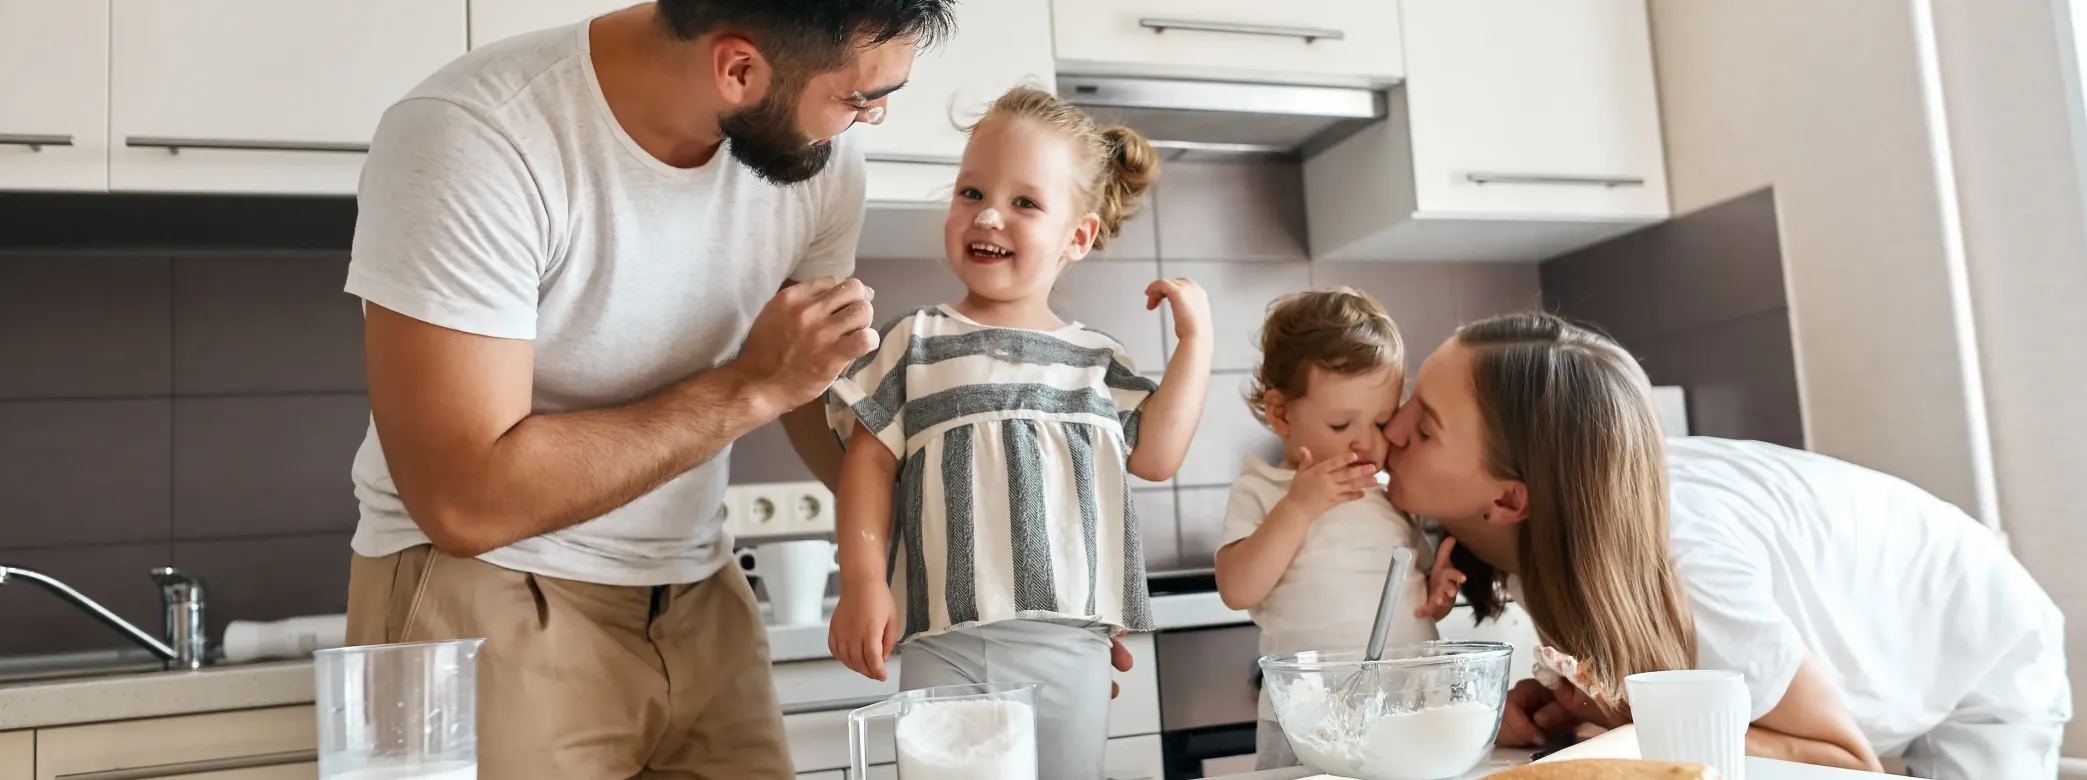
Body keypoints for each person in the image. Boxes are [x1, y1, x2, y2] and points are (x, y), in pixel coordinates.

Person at [340, 2, 955, 777]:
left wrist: (954, 552)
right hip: (484, 590)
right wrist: (748, 388)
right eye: (861, 97)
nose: (876, 119)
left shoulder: (816, 154)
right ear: (738, 70)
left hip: (700, 588)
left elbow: (804, 380)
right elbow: (467, 500)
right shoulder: (473, 134)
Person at [1384, 312, 2070, 780]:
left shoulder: (1682, 558)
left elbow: (1841, 761)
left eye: (1426, 427)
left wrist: (1634, 735)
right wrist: (1582, 706)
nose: (1391, 424)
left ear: (1509, 499)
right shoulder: (1557, 518)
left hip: (1978, 654)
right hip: (1871, 648)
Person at [823, 85, 1213, 780]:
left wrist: (1195, 341)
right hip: (942, 638)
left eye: (1024, 202)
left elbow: (1156, 454)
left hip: (1072, 646)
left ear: (1078, 237)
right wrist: (861, 581)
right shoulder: (913, 341)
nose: (989, 215)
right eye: (971, 192)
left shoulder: (1097, 361)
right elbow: (868, 465)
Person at [1209, 288, 1462, 769]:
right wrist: (1298, 509)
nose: (1367, 442)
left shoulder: (1391, 493)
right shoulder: (1264, 489)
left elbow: (1402, 592)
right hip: (1309, 715)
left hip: (1408, 704)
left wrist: (1436, 593)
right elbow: (1237, 588)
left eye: (1382, 421)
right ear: (1282, 413)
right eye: (1342, 424)